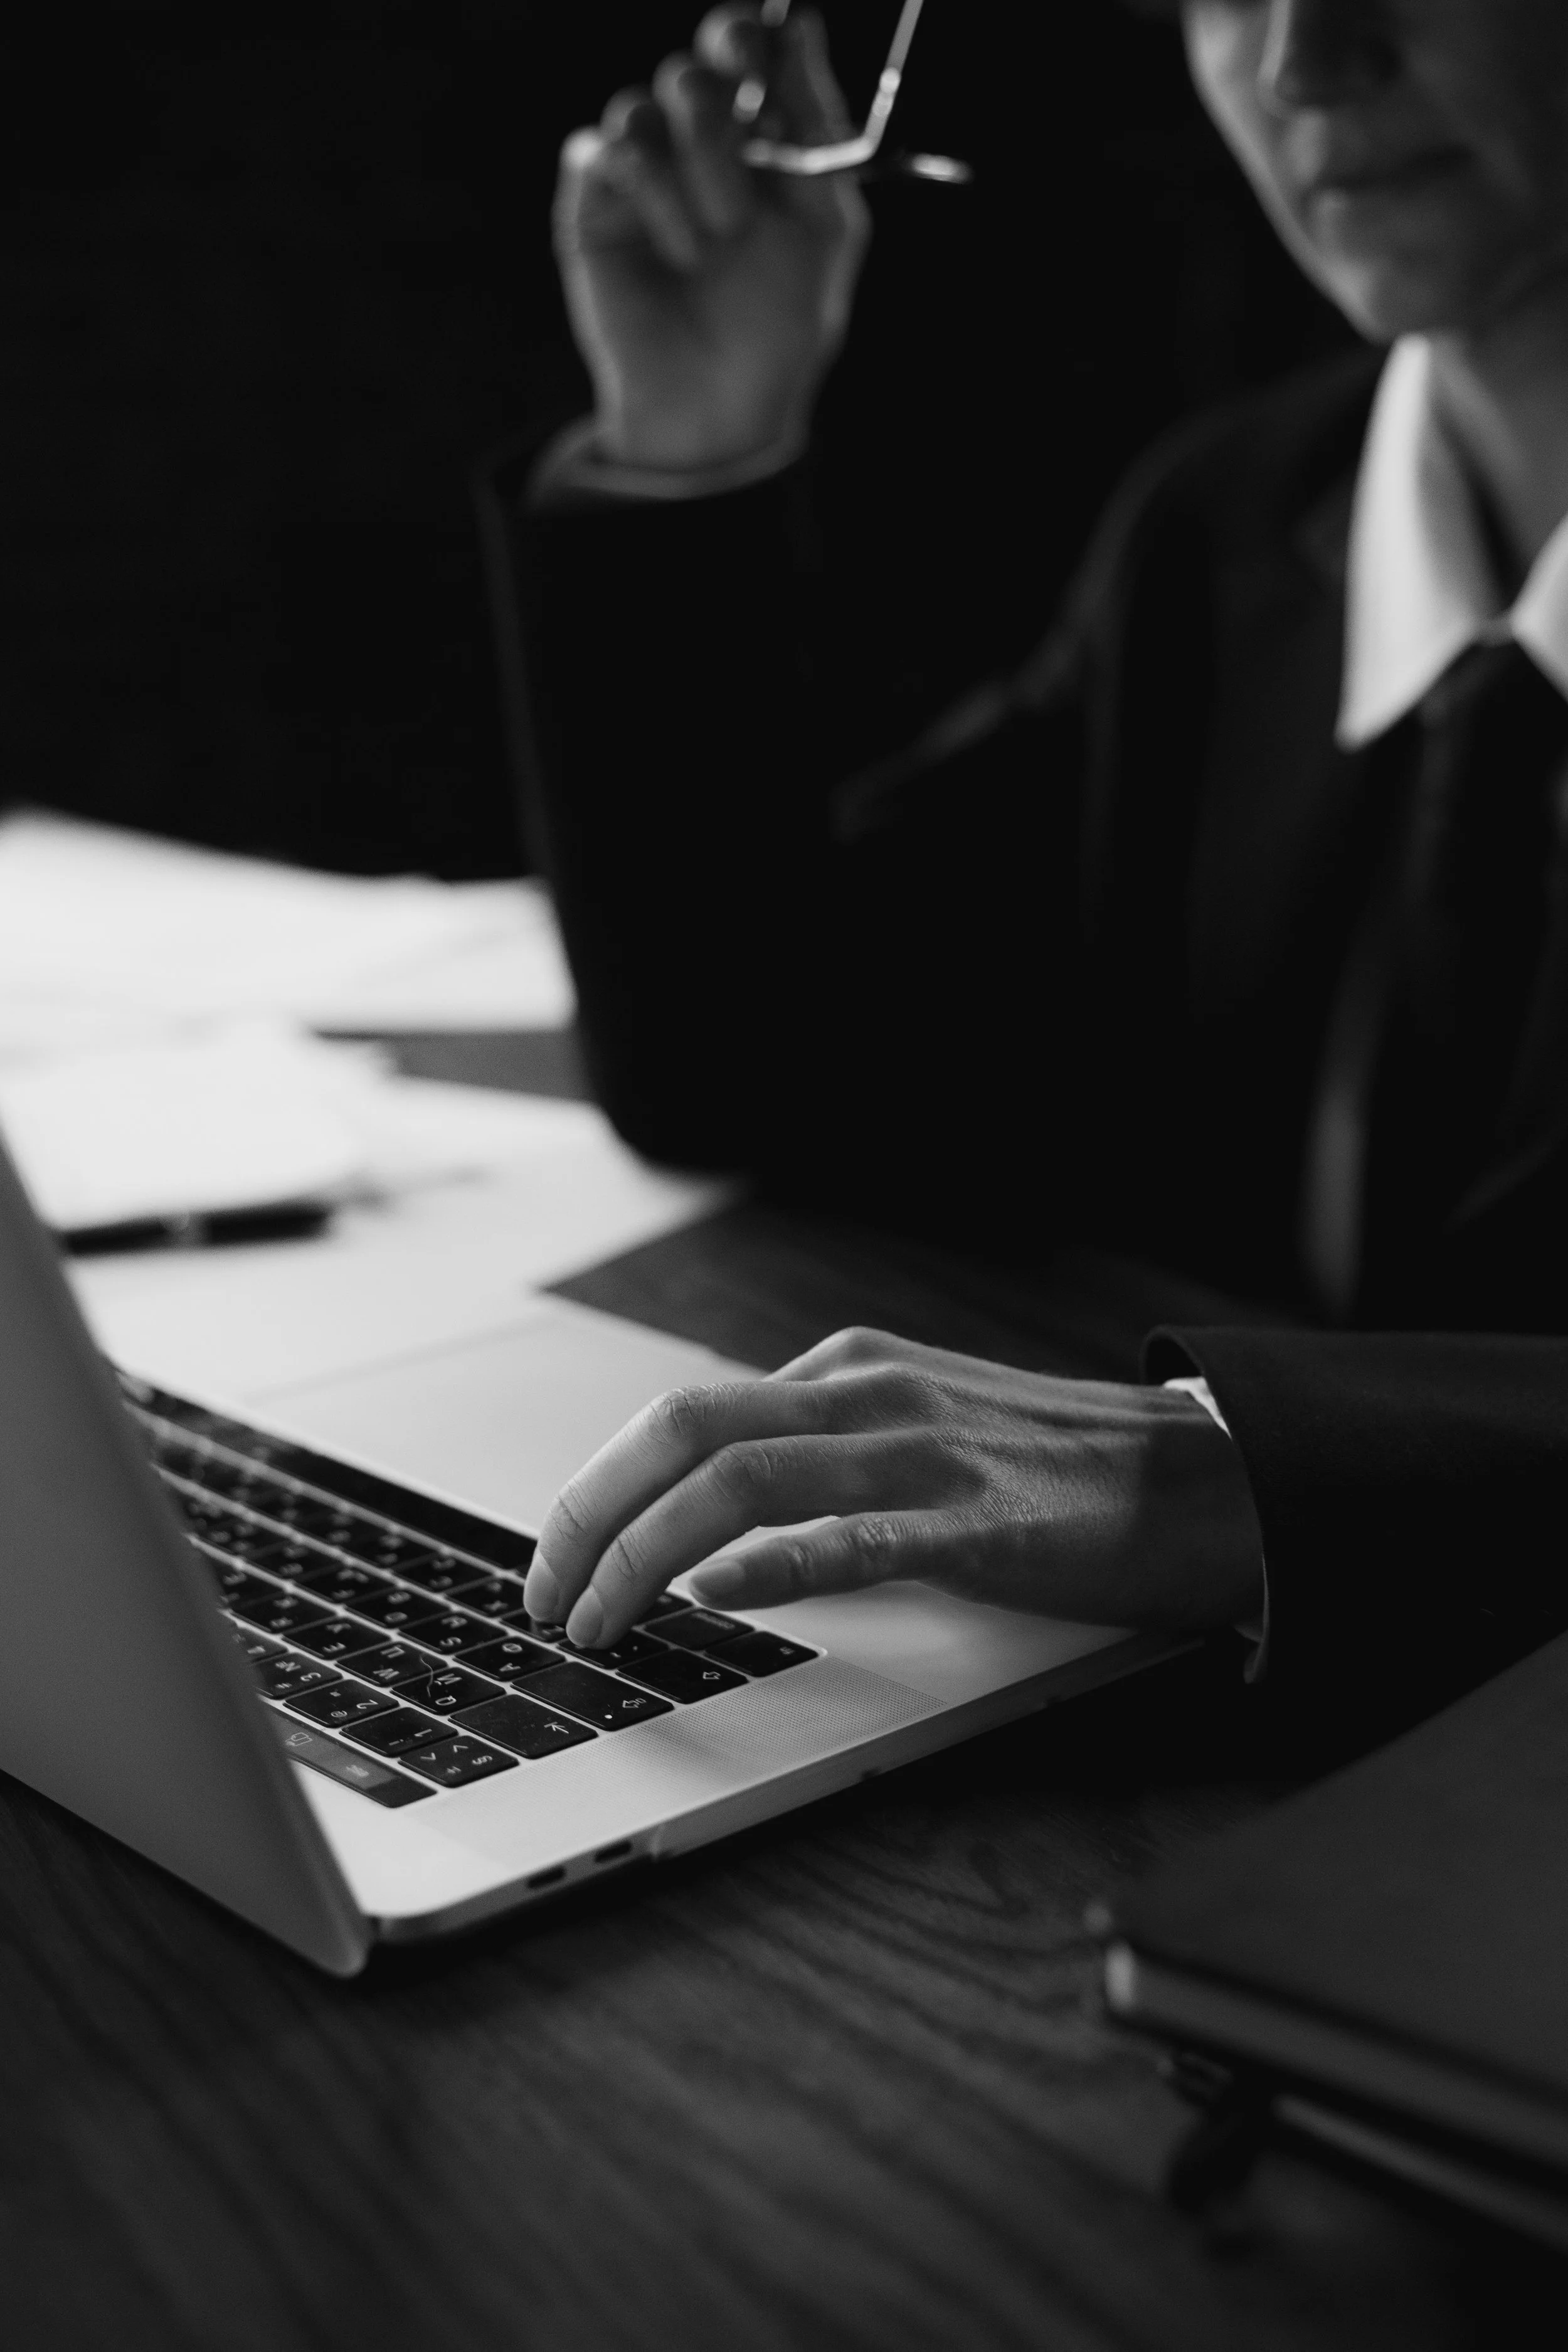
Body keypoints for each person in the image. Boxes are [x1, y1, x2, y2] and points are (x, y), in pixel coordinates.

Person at [480, 0, 1568, 1736]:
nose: (1299, 62)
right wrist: (694, 447)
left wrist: (1229, 1475)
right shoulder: (1219, 531)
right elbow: (739, 1055)